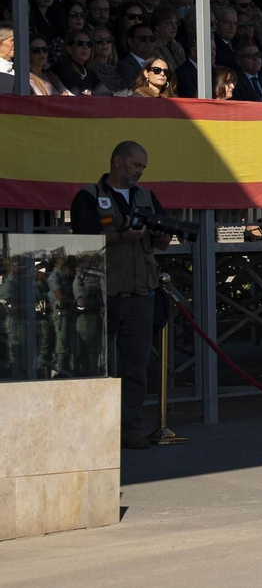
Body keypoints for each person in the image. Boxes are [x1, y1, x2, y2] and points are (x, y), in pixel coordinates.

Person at [70, 141, 170, 448]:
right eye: (136, 165)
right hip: (102, 294)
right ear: (118, 162)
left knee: (136, 366)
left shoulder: (147, 197)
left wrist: (163, 235)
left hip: (141, 293)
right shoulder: (88, 196)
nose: (140, 172)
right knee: (97, 364)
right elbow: (82, 241)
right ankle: (95, 429)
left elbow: (162, 242)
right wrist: (119, 236)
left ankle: (129, 428)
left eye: (143, 168)